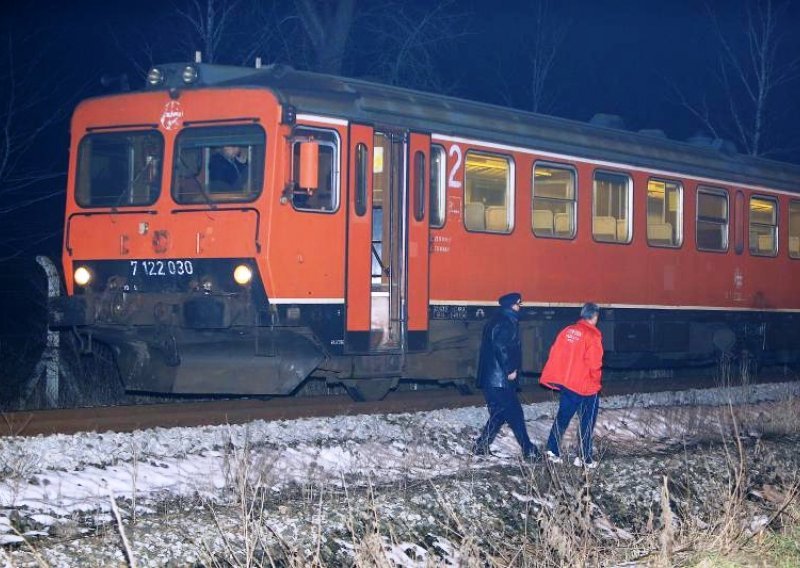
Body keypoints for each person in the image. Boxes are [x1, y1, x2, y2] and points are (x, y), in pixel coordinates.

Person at [472, 292, 540, 460]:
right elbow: (501, 347)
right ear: (511, 305)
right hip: (500, 379)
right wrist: (509, 369)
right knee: (515, 413)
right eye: (519, 304)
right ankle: (528, 450)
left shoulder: (497, 320)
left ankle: (481, 446)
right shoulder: (506, 322)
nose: (520, 306)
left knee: (499, 414)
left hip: (492, 380)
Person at [540, 302, 604, 469]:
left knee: (563, 417)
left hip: (568, 384)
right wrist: (596, 382)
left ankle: (552, 450)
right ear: (595, 317)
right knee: (587, 422)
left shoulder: (567, 331)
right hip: (585, 386)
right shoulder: (593, 335)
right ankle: (584, 458)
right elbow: (595, 364)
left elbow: (555, 352)